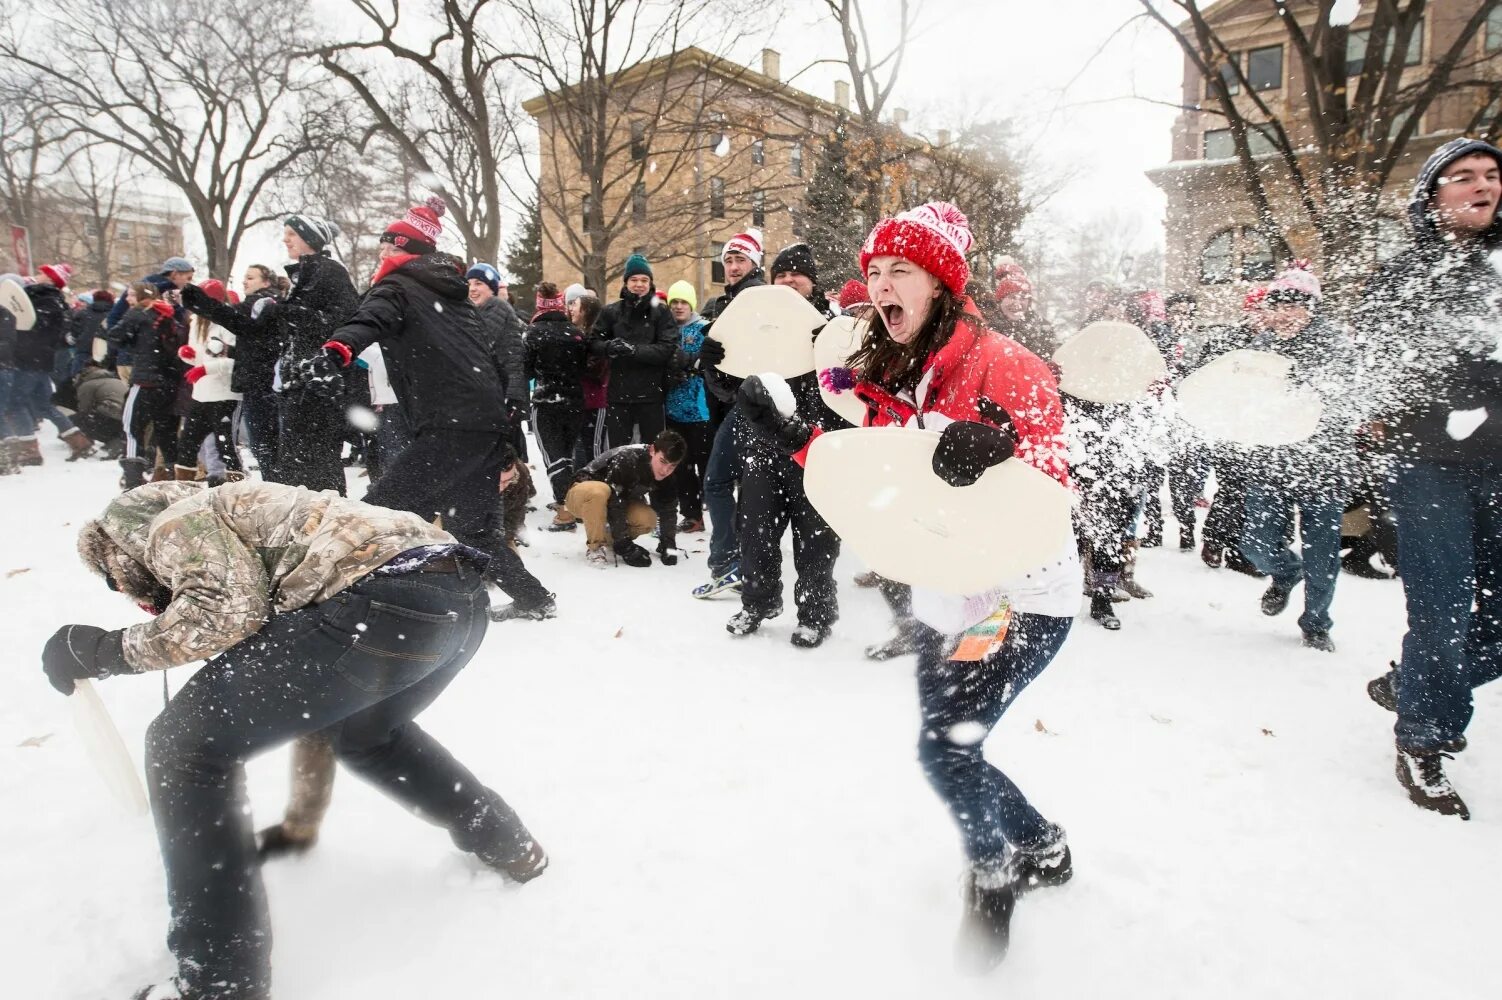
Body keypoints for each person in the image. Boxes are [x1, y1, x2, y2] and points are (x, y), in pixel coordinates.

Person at [41, 480, 547, 1000]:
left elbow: (224, 614)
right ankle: (508, 843)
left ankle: (221, 981)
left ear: (119, 554)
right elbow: (254, 611)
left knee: (185, 748)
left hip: (380, 606)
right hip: (456, 604)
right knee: (368, 736)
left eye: (118, 584)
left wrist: (102, 650)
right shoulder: (246, 508)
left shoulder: (168, 521)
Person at [735, 202, 1078, 968]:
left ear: (942, 285)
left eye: (901, 272)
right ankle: (1042, 844)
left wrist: (1003, 455)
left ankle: (995, 875)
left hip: (1020, 598)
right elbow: (875, 478)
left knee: (948, 751)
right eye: (875, 272)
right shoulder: (885, 370)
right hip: (943, 590)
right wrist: (793, 434)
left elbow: (1059, 482)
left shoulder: (1007, 364)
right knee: (955, 748)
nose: (880, 287)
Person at [1358, 137, 1502, 820]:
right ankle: (1424, 736)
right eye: (1464, 177)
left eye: (1492, 175)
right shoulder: (1404, 276)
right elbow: (1375, 378)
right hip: (1430, 468)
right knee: (1442, 612)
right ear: (1433, 195)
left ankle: (1413, 684)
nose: (1483, 186)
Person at [302, 197, 510, 551]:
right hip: (483, 421)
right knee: (471, 528)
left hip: (449, 421)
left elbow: (369, 318)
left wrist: (337, 349)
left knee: (377, 516)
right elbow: (489, 361)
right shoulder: (455, 296)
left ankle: (342, 591)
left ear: (402, 250)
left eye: (384, 249)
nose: (380, 257)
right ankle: (535, 601)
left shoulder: (398, 286)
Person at [1237, 263, 1361, 653]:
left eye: (1295, 306)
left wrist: (1300, 394)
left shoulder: (1335, 345)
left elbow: (1343, 400)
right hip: (1270, 462)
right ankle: (1287, 572)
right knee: (1255, 544)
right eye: (1278, 305)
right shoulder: (1260, 347)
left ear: (1312, 309)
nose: (1285, 314)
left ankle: (1316, 623)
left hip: (1323, 466)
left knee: (1322, 553)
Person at [724, 243, 842, 647]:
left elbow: (848, 392)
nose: (789, 281)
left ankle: (815, 614)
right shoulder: (757, 329)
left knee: (815, 542)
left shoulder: (833, 329)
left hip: (815, 452)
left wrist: (825, 349)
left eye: (798, 275)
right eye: (781, 275)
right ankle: (758, 602)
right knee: (755, 534)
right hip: (762, 450)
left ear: (812, 283)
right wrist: (714, 363)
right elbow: (731, 390)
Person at [694, 229, 767, 590]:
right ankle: (741, 561)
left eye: (740, 259)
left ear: (755, 263)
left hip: (750, 407)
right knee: (743, 488)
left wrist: (715, 370)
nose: (733, 266)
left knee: (718, 482)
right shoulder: (728, 300)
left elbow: (750, 360)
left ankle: (729, 562)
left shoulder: (753, 297)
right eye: (728, 261)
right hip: (738, 404)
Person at [266, 214, 358, 493]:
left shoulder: (330, 271)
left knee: (319, 462)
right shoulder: (300, 275)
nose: (286, 239)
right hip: (296, 384)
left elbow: (346, 318)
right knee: (295, 464)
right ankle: (301, 520)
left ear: (310, 239)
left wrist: (290, 313)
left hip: (318, 384)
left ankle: (327, 518)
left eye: (292, 234)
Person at [182, 264, 287, 477]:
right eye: (244, 277)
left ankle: (253, 483)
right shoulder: (204, 320)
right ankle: (212, 479)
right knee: (194, 441)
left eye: (250, 277)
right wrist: (191, 356)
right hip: (230, 386)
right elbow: (240, 348)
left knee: (247, 443)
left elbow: (246, 343)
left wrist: (209, 367)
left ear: (266, 282)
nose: (244, 281)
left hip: (245, 386)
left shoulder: (262, 305)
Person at [589, 253, 677, 451]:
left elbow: (666, 348)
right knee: (618, 452)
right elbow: (593, 342)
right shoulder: (611, 312)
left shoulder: (661, 313)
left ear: (650, 283)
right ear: (626, 282)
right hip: (619, 395)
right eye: (634, 280)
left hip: (651, 396)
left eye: (644, 280)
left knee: (652, 452)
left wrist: (634, 351)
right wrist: (609, 347)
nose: (639, 284)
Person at [563, 429, 685, 567]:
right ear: (652, 450)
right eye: (662, 461)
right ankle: (596, 548)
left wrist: (668, 545)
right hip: (582, 495)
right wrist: (624, 546)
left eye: (672, 466)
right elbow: (616, 502)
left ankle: (610, 538)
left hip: (615, 500)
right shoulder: (628, 459)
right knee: (600, 491)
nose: (665, 470)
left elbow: (668, 508)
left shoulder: (668, 474)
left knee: (647, 519)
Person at [525, 282, 590, 526]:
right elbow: (584, 367)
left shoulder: (533, 332)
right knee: (567, 455)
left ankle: (566, 509)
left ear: (539, 303)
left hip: (546, 401)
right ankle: (570, 502)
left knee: (554, 457)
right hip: (574, 401)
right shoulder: (575, 334)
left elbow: (526, 370)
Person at [107, 283, 183, 488]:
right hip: (169, 384)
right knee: (166, 431)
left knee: (131, 428)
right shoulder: (167, 314)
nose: (128, 299)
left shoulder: (138, 313)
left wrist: (131, 342)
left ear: (142, 296)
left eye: (131, 295)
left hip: (145, 381)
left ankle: (133, 482)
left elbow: (114, 336)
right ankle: (175, 477)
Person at [16, 264, 94, 462]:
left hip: (30, 360)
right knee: (43, 405)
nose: (37, 275)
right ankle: (78, 441)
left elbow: (32, 328)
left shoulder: (46, 299)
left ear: (51, 280)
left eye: (42, 273)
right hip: (40, 360)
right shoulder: (51, 300)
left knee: (16, 403)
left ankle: (29, 450)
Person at [173, 279, 243, 484]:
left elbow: (238, 361)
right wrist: (187, 355)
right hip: (201, 393)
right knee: (187, 443)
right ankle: (183, 488)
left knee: (225, 446)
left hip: (225, 393)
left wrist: (207, 368)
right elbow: (201, 356)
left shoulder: (229, 322)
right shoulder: (196, 321)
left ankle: (233, 488)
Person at [467, 261, 529, 457]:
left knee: (502, 454)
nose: (472, 289)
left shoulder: (496, 307)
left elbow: (477, 342)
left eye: (478, 283)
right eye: (469, 283)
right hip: (497, 389)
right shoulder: (479, 311)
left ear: (492, 288)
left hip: (505, 391)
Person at [663, 279, 710, 532]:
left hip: (700, 409)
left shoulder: (703, 328)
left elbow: (710, 361)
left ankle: (719, 514)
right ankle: (692, 514)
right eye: (674, 302)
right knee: (679, 465)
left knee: (705, 466)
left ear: (691, 304)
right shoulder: (665, 330)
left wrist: (691, 364)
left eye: (683, 302)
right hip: (672, 409)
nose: (679, 307)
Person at [106, 256, 196, 384]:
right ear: (175, 274)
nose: (189, 283)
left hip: (132, 360)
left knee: (132, 397)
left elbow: (114, 317)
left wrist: (123, 348)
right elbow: (178, 323)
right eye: (188, 278)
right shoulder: (169, 292)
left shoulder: (137, 288)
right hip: (152, 365)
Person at [990, 264, 1057, 359]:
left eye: (1023, 298)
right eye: (1012, 297)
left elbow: (1051, 358)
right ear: (1000, 300)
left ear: (1029, 302)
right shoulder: (986, 326)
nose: (1017, 303)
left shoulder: (1043, 328)